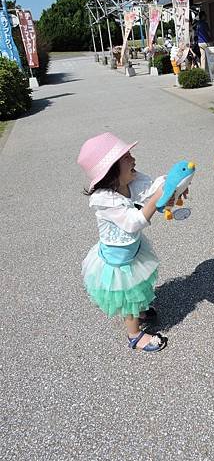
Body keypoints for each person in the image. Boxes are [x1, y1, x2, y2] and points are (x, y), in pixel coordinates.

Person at [77, 132, 172, 352]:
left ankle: (140, 310)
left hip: (133, 249)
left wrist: (171, 184)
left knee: (140, 285)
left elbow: (153, 187)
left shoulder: (132, 180)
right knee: (129, 291)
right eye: (127, 157)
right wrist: (159, 198)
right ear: (111, 171)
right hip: (119, 261)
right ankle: (135, 335)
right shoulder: (105, 200)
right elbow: (133, 222)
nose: (133, 159)